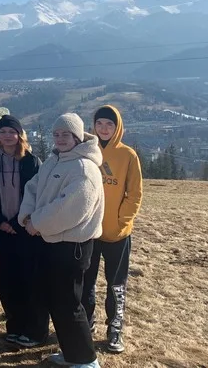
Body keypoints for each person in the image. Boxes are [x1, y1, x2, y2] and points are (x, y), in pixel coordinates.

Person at [18, 113, 104, 368]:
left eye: (66, 134)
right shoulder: (54, 161)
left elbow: (69, 209)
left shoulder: (84, 168)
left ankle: (87, 360)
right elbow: (33, 187)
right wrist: (26, 216)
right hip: (52, 242)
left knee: (69, 304)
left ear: (77, 136)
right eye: (56, 134)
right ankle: (71, 353)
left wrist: (36, 223)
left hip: (72, 246)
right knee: (56, 301)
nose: (60, 139)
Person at [0, 115, 47, 347]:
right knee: (7, 280)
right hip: (2, 231)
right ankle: (14, 326)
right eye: (3, 131)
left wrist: (18, 222)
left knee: (30, 280)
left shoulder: (32, 161)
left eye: (11, 132)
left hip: (27, 230)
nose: (7, 136)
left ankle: (35, 330)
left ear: (20, 135)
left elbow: (39, 196)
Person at [84, 105, 143, 354]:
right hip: (88, 230)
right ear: (94, 126)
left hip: (117, 234)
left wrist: (122, 221)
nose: (104, 128)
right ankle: (85, 324)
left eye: (109, 124)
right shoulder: (87, 152)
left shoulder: (128, 155)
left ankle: (115, 327)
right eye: (100, 124)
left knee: (116, 284)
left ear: (117, 126)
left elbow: (135, 193)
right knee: (86, 281)